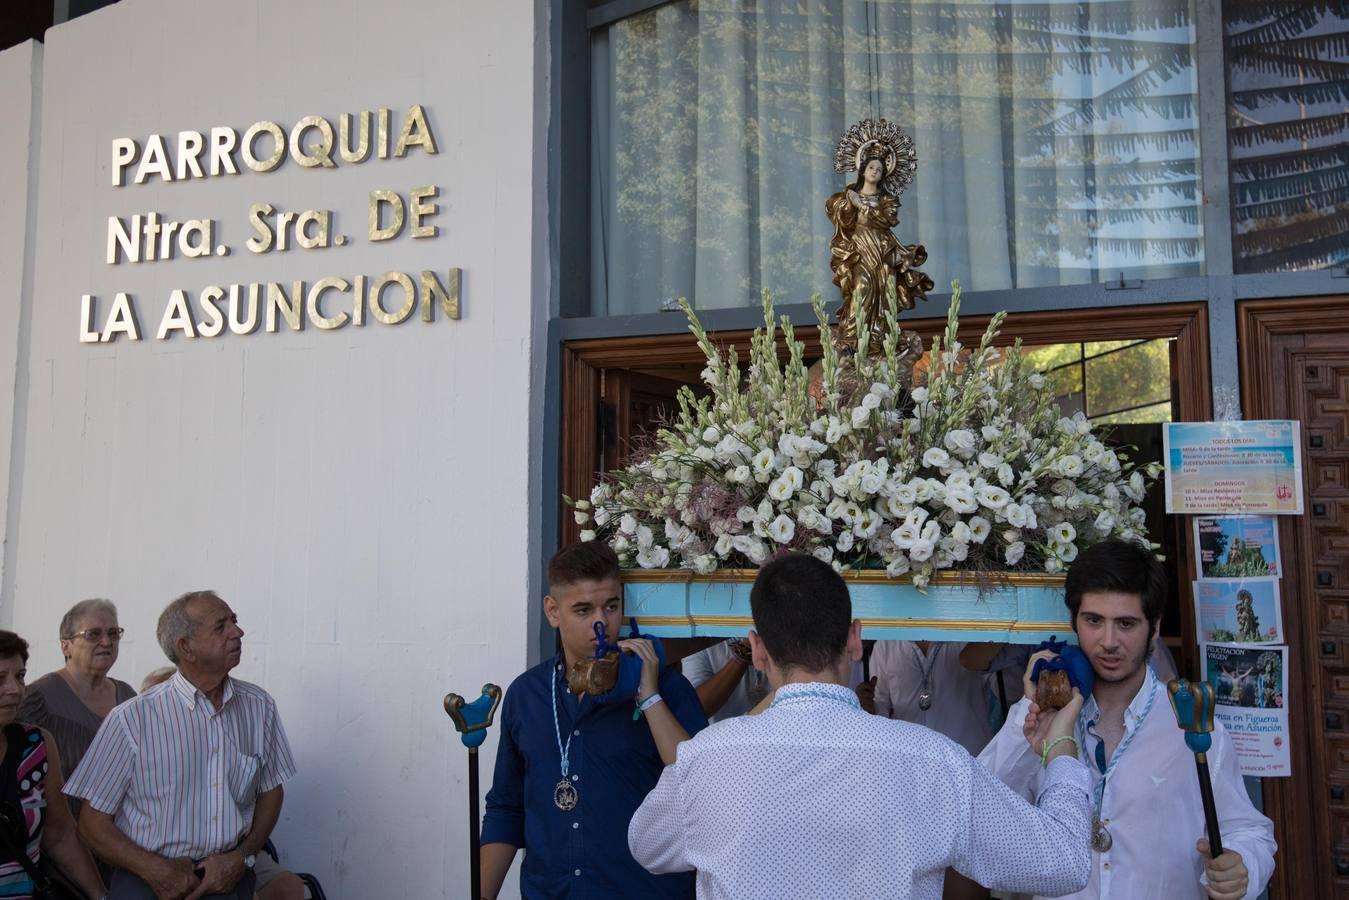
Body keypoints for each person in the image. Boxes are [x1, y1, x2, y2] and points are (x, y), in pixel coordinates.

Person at [628, 553, 1093, 900]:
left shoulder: (705, 760)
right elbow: (1065, 860)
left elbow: (646, 846)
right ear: (855, 640)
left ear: (758, 649)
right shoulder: (933, 761)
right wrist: (1061, 744)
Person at [978, 539, 1276, 900]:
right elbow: (978, 810)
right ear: (1074, 622)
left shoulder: (1190, 725)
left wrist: (1242, 864)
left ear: (1153, 627)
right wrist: (1030, 722)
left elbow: (1248, 831)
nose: (1108, 641)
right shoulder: (1037, 717)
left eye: (1126, 623)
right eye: (1094, 621)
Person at [480, 541, 708, 899]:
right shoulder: (526, 695)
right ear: (553, 612)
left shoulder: (668, 688)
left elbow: (703, 787)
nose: (601, 623)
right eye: (583, 610)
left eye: (611, 606)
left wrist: (649, 696)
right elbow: (506, 808)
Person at [65, 591, 297, 900]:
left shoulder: (259, 707)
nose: (237, 632)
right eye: (221, 626)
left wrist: (242, 856)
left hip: (230, 881)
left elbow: (271, 791)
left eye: (234, 621)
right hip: (148, 886)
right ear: (186, 647)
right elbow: (92, 825)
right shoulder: (133, 719)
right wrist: (154, 870)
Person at [0, 630, 107, 900]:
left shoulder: (36, 745)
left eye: (20, 676)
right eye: (0, 679)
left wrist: (101, 897)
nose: (14, 688)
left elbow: (60, 834)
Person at [18, 599, 136, 813]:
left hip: (121, 836)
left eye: (113, 633)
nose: (107, 642)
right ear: (66, 645)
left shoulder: (128, 696)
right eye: (93, 634)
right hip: (63, 835)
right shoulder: (37, 699)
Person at [825, 149, 933, 348]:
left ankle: (878, 340)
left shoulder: (887, 200)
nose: (875, 171)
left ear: (884, 175)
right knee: (862, 288)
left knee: (883, 292)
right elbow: (840, 217)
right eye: (871, 167)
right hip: (859, 251)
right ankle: (851, 340)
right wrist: (853, 202)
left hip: (882, 250)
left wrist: (867, 208)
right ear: (863, 170)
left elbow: (888, 220)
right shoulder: (849, 196)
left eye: (880, 169)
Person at [859, 640, 1025, 756]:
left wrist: (1000, 642)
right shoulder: (885, 645)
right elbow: (879, 714)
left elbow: (1010, 692)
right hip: (910, 768)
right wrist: (865, 707)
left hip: (969, 763)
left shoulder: (969, 639)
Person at [681, 639, 769, 722]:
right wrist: (743, 653)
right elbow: (695, 710)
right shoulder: (701, 639)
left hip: (774, 731)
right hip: (726, 736)